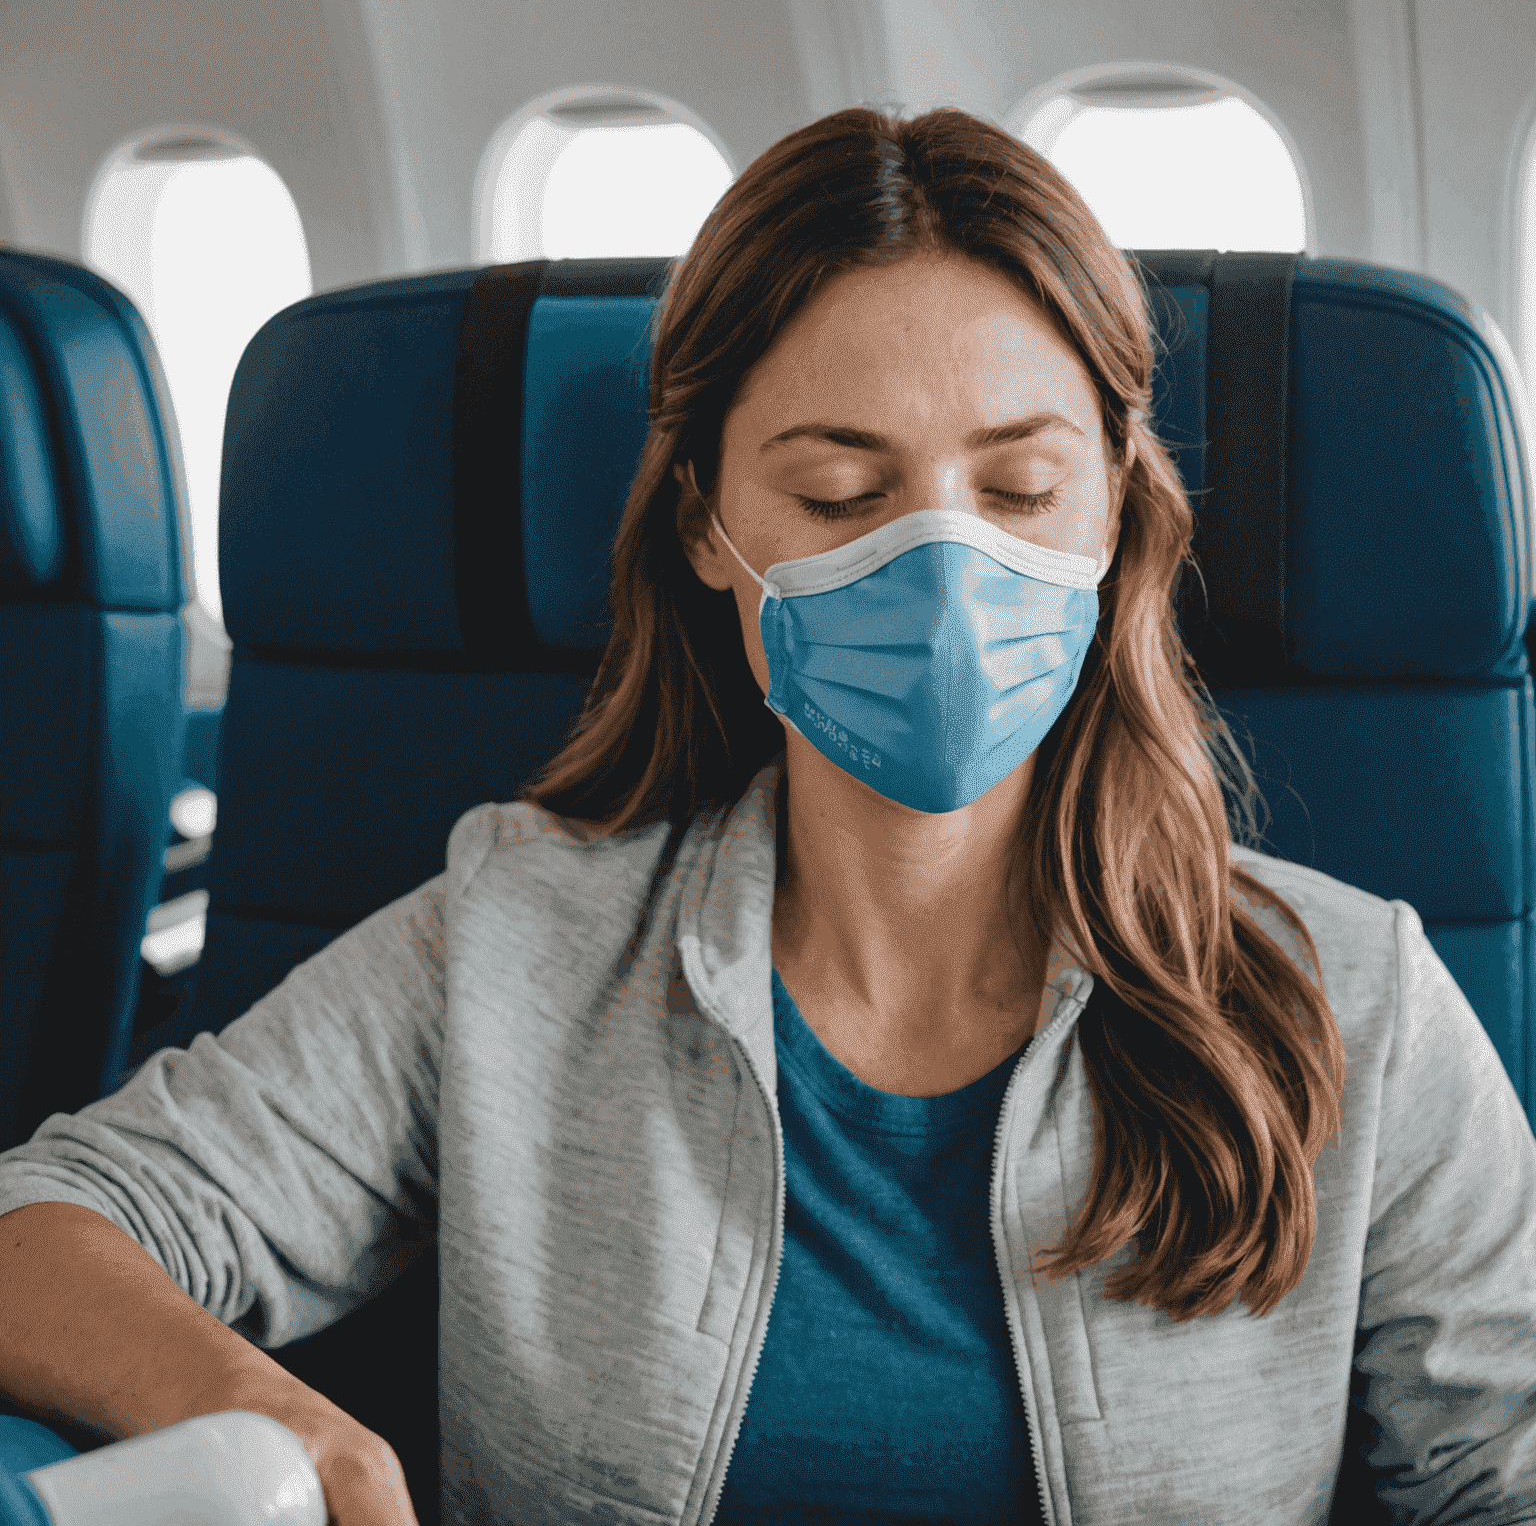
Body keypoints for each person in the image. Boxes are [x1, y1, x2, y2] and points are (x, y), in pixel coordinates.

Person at [1, 104, 1534, 1526]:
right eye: (841, 496)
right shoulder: (518, 946)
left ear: (1118, 512)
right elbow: (44, 1221)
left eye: (1016, 493)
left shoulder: (1356, 1001)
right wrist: (272, 1418)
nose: (943, 578)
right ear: (710, 529)